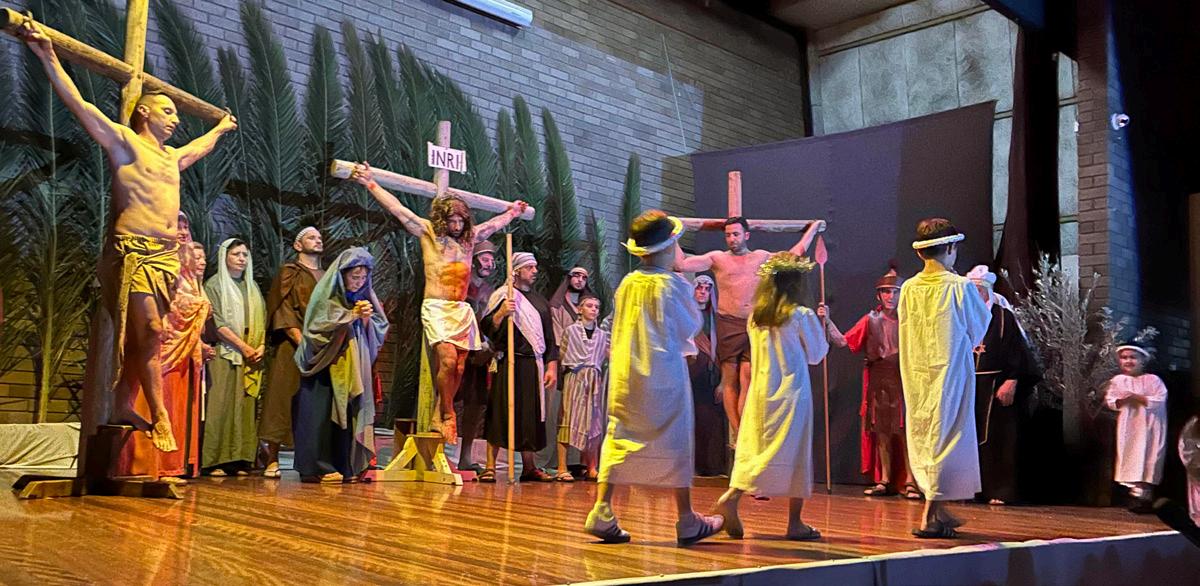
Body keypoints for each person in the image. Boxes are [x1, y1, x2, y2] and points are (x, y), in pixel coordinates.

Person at [19, 17, 237, 454]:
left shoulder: (171, 157)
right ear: (144, 112)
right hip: (132, 251)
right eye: (168, 111)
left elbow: (200, 147)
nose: (175, 119)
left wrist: (220, 128)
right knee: (152, 330)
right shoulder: (123, 143)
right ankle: (159, 413)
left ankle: (123, 403)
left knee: (146, 338)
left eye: (176, 113)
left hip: (165, 257)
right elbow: (80, 105)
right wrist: (47, 54)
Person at [349, 163, 526, 444]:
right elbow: (398, 209)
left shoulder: (469, 240)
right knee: (447, 360)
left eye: (460, 221)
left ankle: (439, 412)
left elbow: (494, 225)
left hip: (460, 309)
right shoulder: (429, 234)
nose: (456, 226)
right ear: (443, 219)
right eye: (452, 221)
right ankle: (447, 413)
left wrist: (513, 212)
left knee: (459, 367)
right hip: (437, 306)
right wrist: (370, 182)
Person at [585, 210, 723, 546]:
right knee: (676, 440)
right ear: (668, 247)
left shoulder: (627, 283)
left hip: (626, 374)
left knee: (620, 436)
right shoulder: (673, 286)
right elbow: (690, 326)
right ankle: (686, 519)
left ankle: (602, 509)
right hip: (663, 373)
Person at [673, 217, 823, 444]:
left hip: (753, 324)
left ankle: (745, 432)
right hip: (728, 323)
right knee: (729, 378)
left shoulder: (760, 257)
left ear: (747, 235)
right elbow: (681, 264)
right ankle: (737, 432)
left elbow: (794, 255)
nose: (732, 239)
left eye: (736, 234)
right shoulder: (718, 258)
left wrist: (812, 229)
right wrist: (675, 233)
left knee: (749, 376)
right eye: (728, 235)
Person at [713, 252, 829, 540]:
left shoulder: (756, 318)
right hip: (791, 392)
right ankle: (795, 522)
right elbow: (816, 354)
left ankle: (734, 495)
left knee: (756, 447)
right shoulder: (800, 315)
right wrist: (822, 324)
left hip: (762, 392)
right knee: (796, 453)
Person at [898, 218, 991, 538]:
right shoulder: (960, 287)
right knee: (947, 434)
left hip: (916, 371)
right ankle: (929, 515)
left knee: (927, 432)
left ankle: (937, 509)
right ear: (950, 248)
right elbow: (977, 329)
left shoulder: (909, 288)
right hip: (950, 370)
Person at [115, 231, 214, 481]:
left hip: (184, 352)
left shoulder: (192, 278)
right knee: (154, 399)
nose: (182, 230)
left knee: (177, 408)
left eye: (186, 225)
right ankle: (148, 466)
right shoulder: (160, 268)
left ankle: (172, 466)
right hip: (162, 347)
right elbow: (166, 308)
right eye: (177, 224)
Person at [293, 248, 390, 483]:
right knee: (320, 416)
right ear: (342, 274)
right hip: (325, 365)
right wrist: (350, 316)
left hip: (351, 367)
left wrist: (365, 319)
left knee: (347, 413)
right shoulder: (326, 296)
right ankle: (316, 467)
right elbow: (316, 328)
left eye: (363, 277)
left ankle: (344, 466)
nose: (359, 282)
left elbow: (379, 327)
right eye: (355, 277)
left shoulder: (363, 298)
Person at [824, 264, 918, 499]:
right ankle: (884, 479)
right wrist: (827, 321)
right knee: (882, 431)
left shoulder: (910, 320)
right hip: (878, 380)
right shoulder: (871, 319)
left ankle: (911, 480)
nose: (890, 296)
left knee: (905, 431)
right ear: (879, 295)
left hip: (903, 378)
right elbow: (843, 341)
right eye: (886, 291)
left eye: (895, 291)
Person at [479, 252, 559, 482]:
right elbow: (487, 327)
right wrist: (501, 313)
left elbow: (549, 338)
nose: (535, 271)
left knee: (529, 414)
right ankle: (490, 466)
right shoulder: (503, 296)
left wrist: (551, 366)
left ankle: (529, 467)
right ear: (516, 271)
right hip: (508, 361)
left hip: (532, 364)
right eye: (530, 267)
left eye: (535, 267)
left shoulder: (540, 303)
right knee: (500, 411)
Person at [967, 265, 1041, 505]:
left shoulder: (1002, 317)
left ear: (987, 291)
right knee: (968, 438)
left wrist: (1012, 379)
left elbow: (1017, 350)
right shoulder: (962, 317)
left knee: (999, 439)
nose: (975, 295)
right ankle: (970, 489)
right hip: (968, 386)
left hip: (996, 386)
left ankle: (999, 490)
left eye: (978, 290)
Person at [257, 227, 326, 478]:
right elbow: (282, 307)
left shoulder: (327, 276)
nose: (317, 240)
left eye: (320, 238)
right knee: (282, 398)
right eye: (311, 237)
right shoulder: (289, 272)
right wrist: (299, 339)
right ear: (298, 245)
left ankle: (312, 464)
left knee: (315, 405)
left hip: (322, 349)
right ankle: (272, 458)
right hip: (292, 345)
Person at [202, 239, 266, 475]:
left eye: (245, 255)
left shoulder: (252, 286)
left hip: (250, 354)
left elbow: (262, 317)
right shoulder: (215, 285)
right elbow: (218, 323)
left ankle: (240, 459)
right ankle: (215, 461)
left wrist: (260, 345)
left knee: (244, 407)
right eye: (236, 254)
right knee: (221, 406)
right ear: (224, 257)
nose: (241, 259)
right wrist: (243, 347)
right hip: (226, 353)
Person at [1104, 342, 1168, 513]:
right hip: (1129, 427)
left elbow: (1159, 400)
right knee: (1131, 456)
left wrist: (1137, 397)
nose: (1128, 361)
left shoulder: (1153, 380)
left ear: (1142, 360)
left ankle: (1144, 495)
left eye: (1133, 357)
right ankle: (1135, 494)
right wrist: (1124, 399)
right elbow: (1112, 401)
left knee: (1149, 457)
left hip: (1149, 426)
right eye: (1124, 358)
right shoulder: (1118, 381)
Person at [542, 267, 595, 472]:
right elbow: (557, 338)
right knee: (558, 411)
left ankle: (575, 460)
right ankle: (553, 461)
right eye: (576, 276)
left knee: (580, 415)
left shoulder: (590, 306)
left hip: (585, 368)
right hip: (563, 362)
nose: (580, 280)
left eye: (584, 277)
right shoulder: (557, 306)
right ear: (569, 278)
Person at [554, 293, 610, 482]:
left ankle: (591, 467)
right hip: (575, 377)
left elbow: (604, 355)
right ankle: (562, 468)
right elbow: (563, 354)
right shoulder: (570, 331)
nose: (593, 309)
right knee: (568, 418)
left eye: (596, 307)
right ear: (580, 309)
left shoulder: (602, 335)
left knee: (593, 421)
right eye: (589, 306)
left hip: (594, 379)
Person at [457, 241, 498, 474]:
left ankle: (466, 456)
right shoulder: (461, 285)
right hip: (460, 347)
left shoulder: (490, 291)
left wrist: (490, 345)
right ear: (474, 260)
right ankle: (436, 452)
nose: (489, 263)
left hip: (481, 353)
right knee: (448, 399)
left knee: (474, 404)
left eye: (491, 259)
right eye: (484, 258)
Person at [689, 275, 728, 477]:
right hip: (690, 378)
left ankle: (711, 468)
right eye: (699, 288)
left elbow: (724, 352)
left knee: (711, 424)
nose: (703, 292)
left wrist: (724, 382)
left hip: (712, 378)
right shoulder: (686, 316)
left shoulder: (717, 319)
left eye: (707, 288)